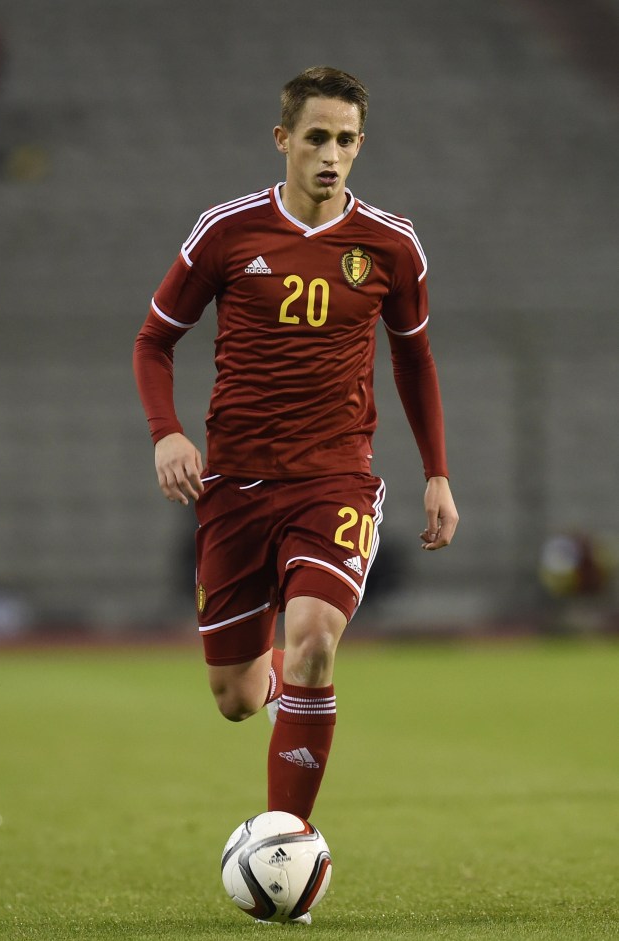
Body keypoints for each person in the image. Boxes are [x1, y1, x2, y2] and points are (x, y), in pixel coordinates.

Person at [134, 64, 458, 838]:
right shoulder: (226, 231)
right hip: (236, 484)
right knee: (238, 698)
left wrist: (438, 473)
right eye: (316, 137)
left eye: (347, 140)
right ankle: (277, 679)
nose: (331, 154)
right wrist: (166, 432)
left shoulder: (390, 244)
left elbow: (414, 359)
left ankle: (287, 845)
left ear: (360, 146)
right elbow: (154, 340)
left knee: (314, 639)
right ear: (283, 139)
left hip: (336, 478)